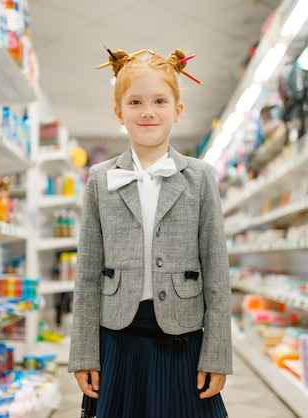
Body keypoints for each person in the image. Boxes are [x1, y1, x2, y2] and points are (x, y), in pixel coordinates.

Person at [68, 47, 232, 418]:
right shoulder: (100, 178)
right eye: (135, 101)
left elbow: (218, 275)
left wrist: (218, 355)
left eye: (159, 100)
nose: (147, 112)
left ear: (177, 109)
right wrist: (83, 354)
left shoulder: (200, 177)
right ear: (119, 112)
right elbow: (88, 275)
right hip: (117, 341)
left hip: (183, 341)